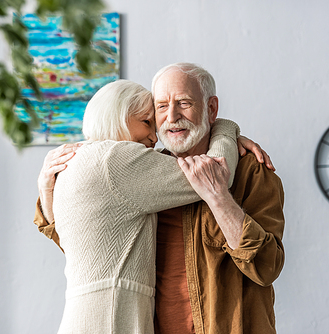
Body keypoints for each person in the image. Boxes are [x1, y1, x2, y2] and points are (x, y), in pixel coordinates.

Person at [34, 76, 275, 333]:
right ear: (117, 116)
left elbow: (91, 244)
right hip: (114, 319)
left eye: (184, 103)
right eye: (147, 120)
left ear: (209, 107)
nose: (154, 136)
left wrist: (45, 190)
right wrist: (226, 128)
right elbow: (215, 173)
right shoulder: (118, 160)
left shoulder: (82, 162)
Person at [150, 63, 285, 334]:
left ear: (211, 109)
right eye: (162, 106)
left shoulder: (252, 171)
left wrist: (218, 197)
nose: (172, 116)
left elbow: (266, 267)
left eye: (184, 103)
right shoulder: (145, 175)